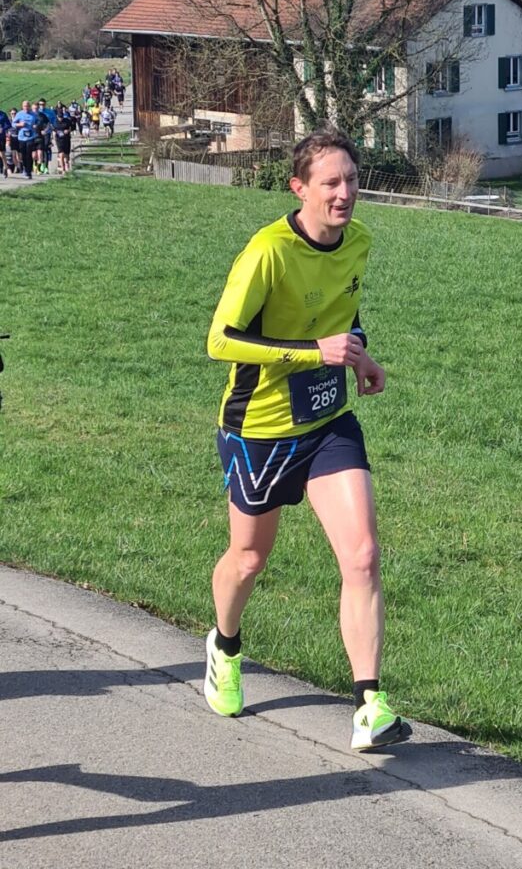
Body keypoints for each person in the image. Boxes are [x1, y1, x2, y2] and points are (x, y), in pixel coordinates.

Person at [204, 125, 411, 751]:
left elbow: (344, 315)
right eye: (330, 183)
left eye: (351, 180)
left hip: (326, 422)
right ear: (299, 188)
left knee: (363, 555)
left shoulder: (359, 241)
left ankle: (369, 706)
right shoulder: (267, 252)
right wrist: (312, 352)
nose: (344, 193)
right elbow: (220, 340)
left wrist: (360, 357)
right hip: (260, 427)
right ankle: (226, 646)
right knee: (249, 558)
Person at [12, 100, 38, 180]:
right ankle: (25, 168)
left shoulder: (33, 114)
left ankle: (29, 171)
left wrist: (36, 126)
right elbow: (13, 124)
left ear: (29, 107)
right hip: (21, 137)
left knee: (29, 153)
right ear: (22, 107)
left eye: (27, 106)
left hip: (31, 136)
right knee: (23, 154)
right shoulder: (19, 114)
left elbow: (38, 122)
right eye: (25, 106)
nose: (26, 108)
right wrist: (19, 124)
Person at [53, 105, 72, 174]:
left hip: (66, 139)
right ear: (57, 116)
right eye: (59, 117)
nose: (60, 118)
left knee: (67, 155)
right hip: (59, 140)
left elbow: (70, 128)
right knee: (61, 154)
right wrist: (54, 138)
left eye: (61, 117)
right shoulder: (55, 122)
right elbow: (54, 131)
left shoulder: (67, 121)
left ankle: (67, 166)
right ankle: (63, 169)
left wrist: (68, 131)